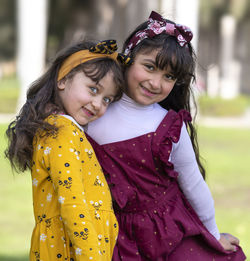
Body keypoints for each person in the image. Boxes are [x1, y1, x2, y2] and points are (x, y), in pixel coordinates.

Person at [86, 11, 246, 260]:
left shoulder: (169, 126)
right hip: (116, 235)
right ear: (128, 58)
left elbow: (193, 185)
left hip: (171, 230)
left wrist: (213, 235)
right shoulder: (93, 114)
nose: (156, 83)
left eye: (169, 76)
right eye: (149, 67)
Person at [5, 39, 128, 260]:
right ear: (62, 79)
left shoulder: (63, 128)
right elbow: (73, 205)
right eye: (93, 89)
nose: (98, 104)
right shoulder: (61, 131)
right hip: (69, 250)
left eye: (107, 99)